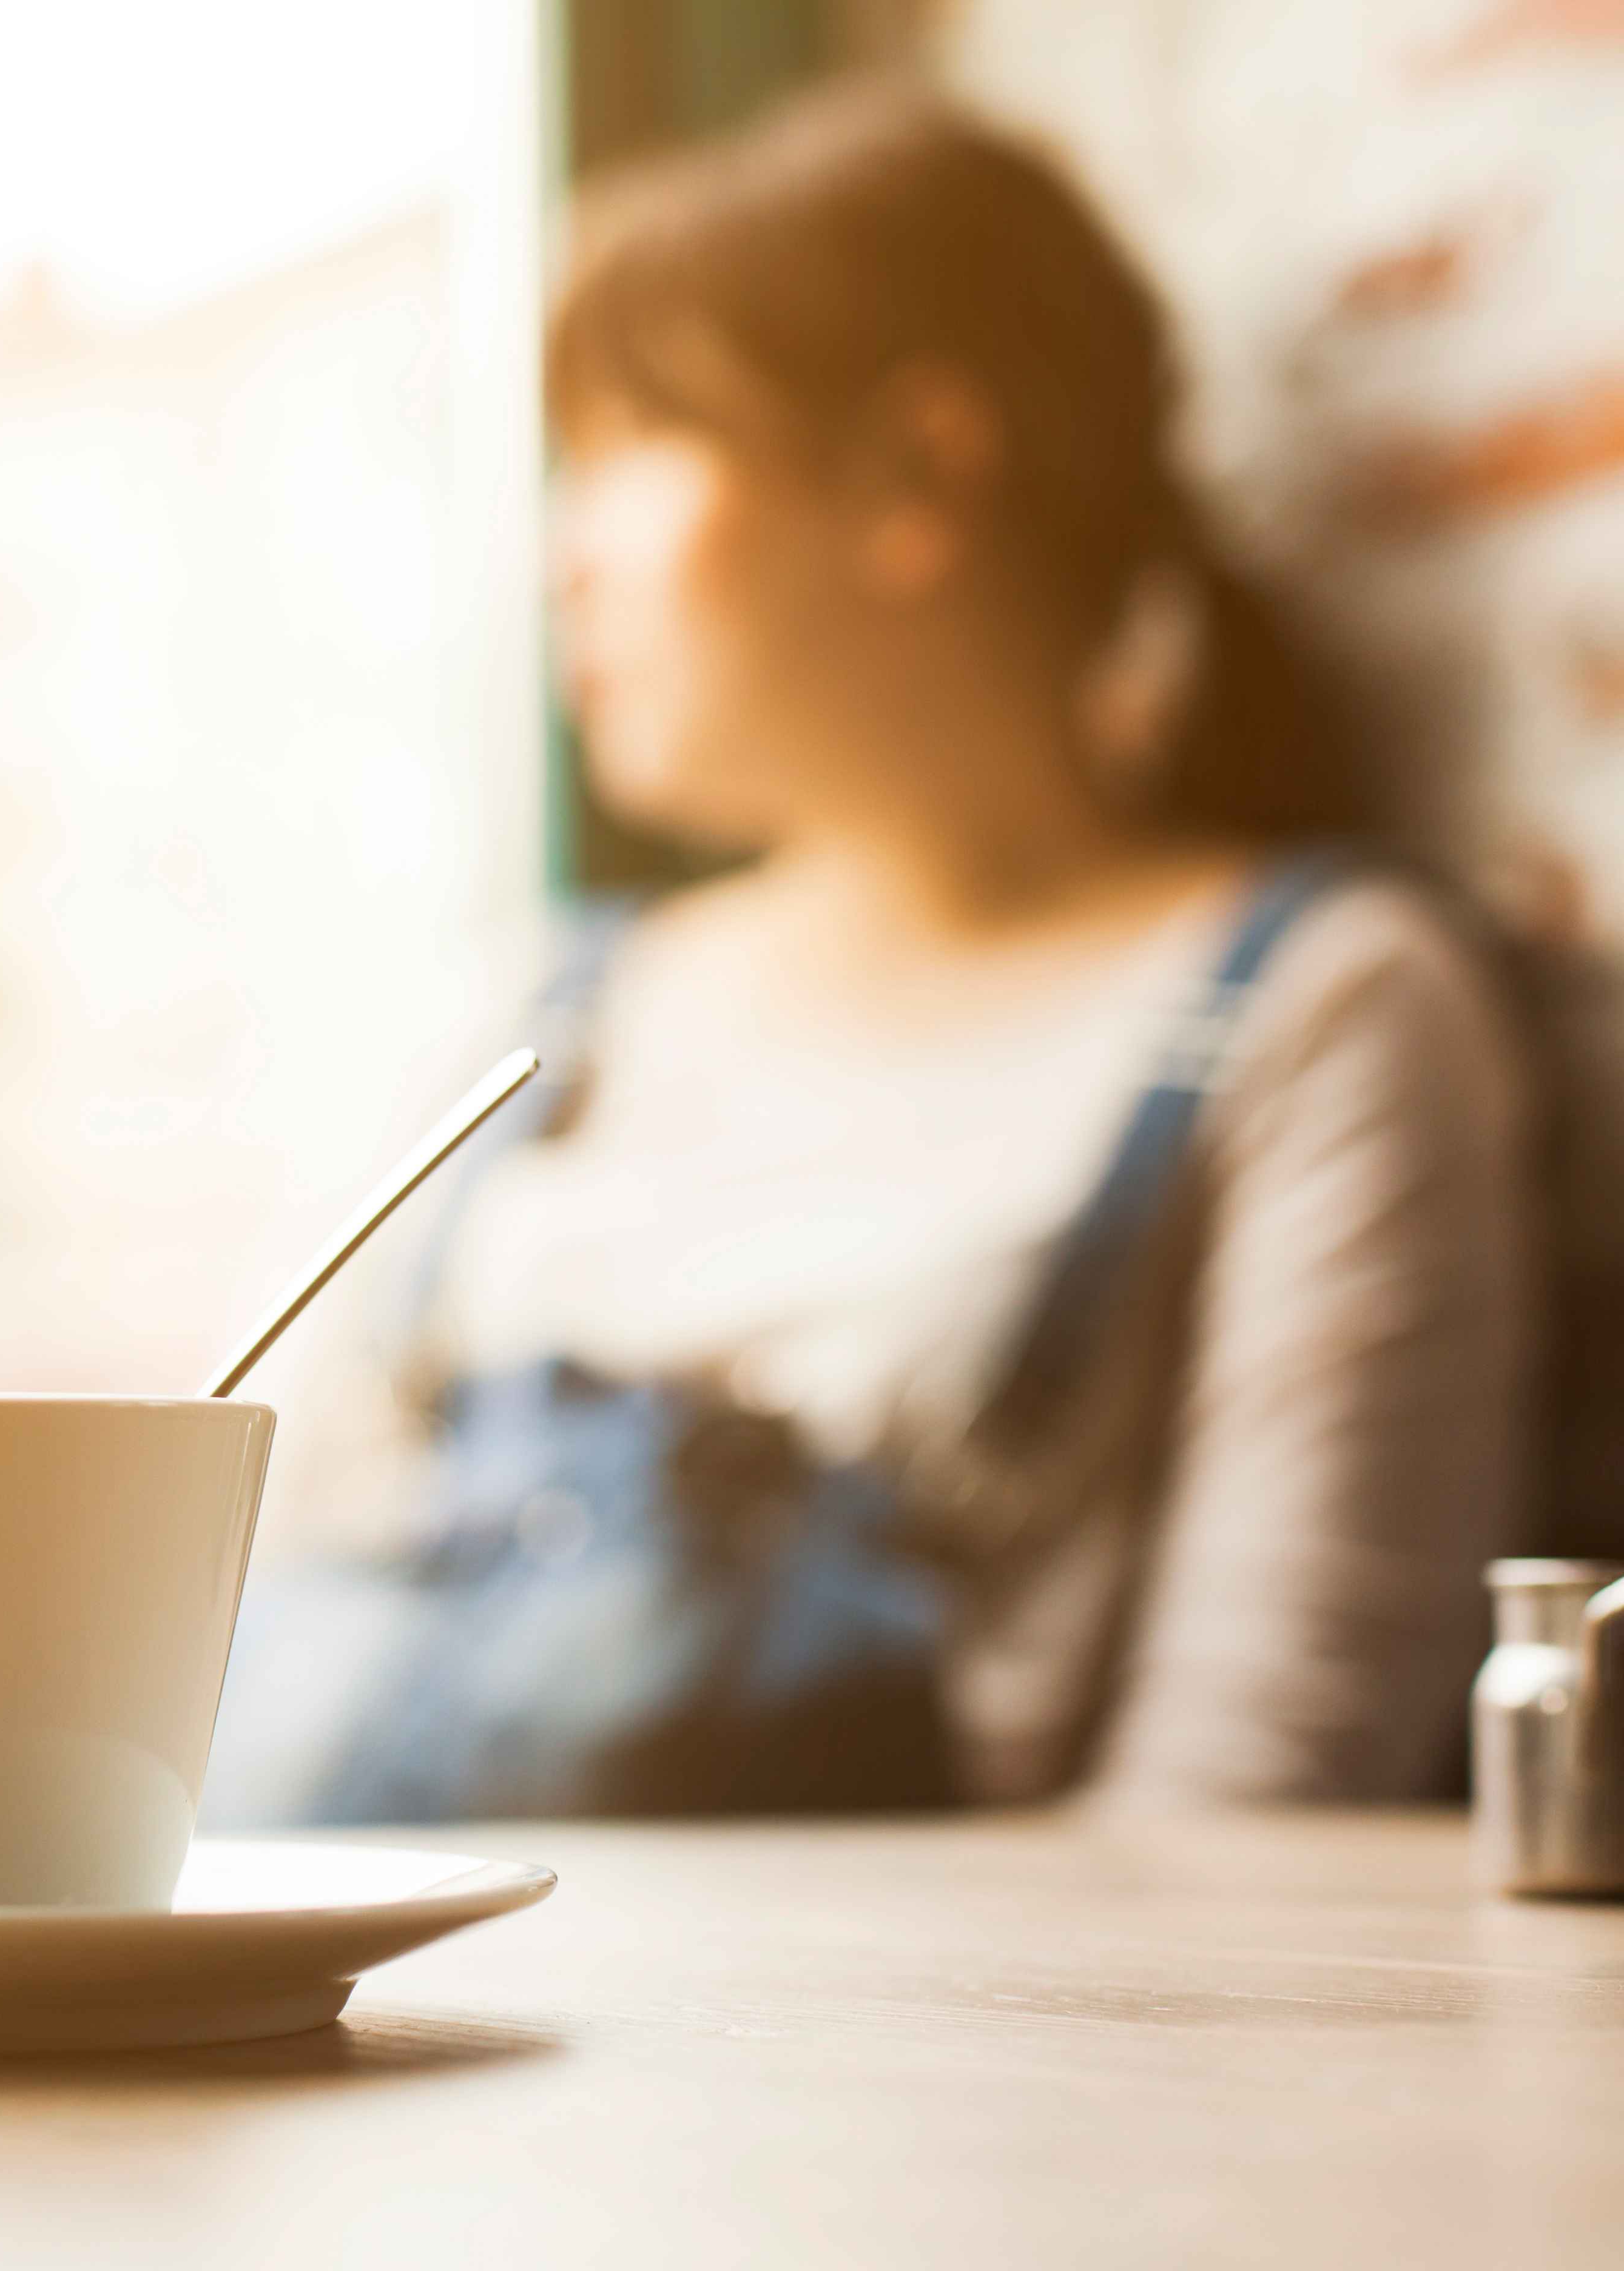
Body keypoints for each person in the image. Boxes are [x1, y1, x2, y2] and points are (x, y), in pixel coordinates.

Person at [268, 84, 1535, 1813]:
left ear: (915, 476)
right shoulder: (549, 1016)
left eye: (628, 455)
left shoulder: (1320, 1003)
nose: (565, 559)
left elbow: (1249, 1809)